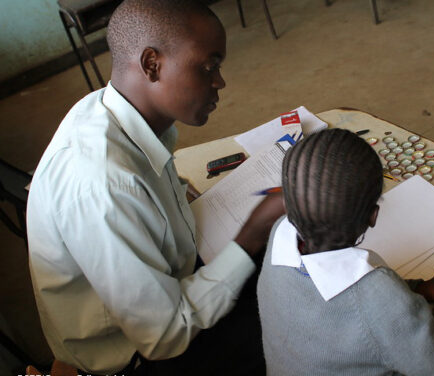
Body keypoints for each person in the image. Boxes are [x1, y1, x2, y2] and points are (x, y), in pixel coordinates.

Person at [27, 0, 283, 374]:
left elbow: (153, 189)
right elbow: (164, 336)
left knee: (278, 264)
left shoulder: (115, 111)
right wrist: (253, 232)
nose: (220, 82)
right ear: (152, 64)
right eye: (209, 66)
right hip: (137, 355)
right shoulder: (102, 183)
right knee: (296, 322)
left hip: (166, 281)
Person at [257, 128, 434, 376]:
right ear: (372, 217)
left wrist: (422, 289)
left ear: (289, 204)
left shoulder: (280, 233)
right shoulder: (376, 295)